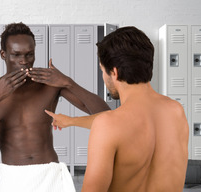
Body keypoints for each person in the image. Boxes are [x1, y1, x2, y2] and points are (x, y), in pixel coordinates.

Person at [0, 22, 110, 192]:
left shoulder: (49, 85)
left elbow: (106, 115)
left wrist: (68, 82)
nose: (23, 61)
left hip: (51, 177)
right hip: (13, 179)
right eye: (16, 55)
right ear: (3, 54)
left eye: (29, 55)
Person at [45, 26, 189, 192]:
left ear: (114, 71)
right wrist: (72, 121)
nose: (103, 77)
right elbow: (130, 124)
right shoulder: (176, 111)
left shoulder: (108, 125)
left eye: (102, 70)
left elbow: (114, 125)